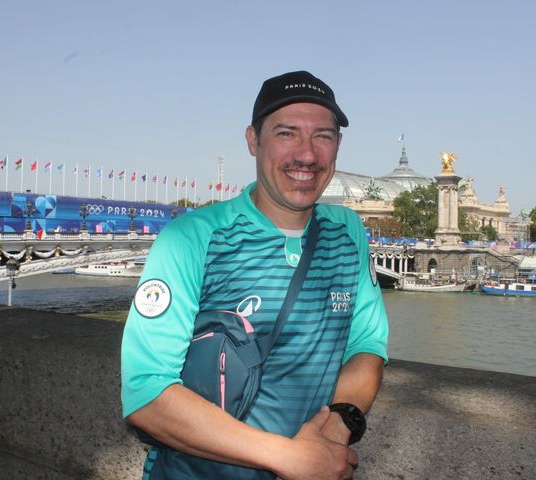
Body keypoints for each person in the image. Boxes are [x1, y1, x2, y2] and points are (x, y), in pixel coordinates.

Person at [121, 70, 389, 479]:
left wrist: (336, 429)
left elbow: (366, 343)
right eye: (286, 133)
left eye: (323, 135)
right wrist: (290, 458)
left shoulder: (348, 232)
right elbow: (147, 393)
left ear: (338, 146)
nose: (307, 155)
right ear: (253, 140)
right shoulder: (193, 239)